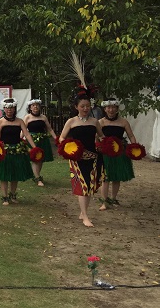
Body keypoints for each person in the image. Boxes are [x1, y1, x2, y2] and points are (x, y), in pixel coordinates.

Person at [59, 93, 104, 227]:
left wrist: (104, 144)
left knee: (89, 186)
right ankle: (85, 215)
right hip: (77, 158)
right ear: (76, 107)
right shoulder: (71, 121)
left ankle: (83, 212)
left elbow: (101, 137)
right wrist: (69, 147)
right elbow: (61, 138)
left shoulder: (94, 121)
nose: (85, 109)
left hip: (93, 157)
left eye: (87, 106)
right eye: (82, 106)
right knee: (82, 186)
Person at [0, 98, 36, 205]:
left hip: (17, 151)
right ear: (4, 109)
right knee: (4, 174)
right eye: (7, 108)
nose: (9, 110)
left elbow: (27, 134)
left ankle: (13, 194)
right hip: (4, 151)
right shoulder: (0, 122)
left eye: (11, 108)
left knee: (15, 174)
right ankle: (5, 197)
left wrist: (34, 147)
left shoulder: (20, 121)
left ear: (14, 108)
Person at [98, 97, 137, 210]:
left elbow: (131, 135)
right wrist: (98, 146)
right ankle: (104, 201)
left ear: (117, 108)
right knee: (105, 178)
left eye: (113, 107)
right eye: (108, 107)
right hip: (106, 153)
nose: (111, 110)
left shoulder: (123, 122)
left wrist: (135, 147)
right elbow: (96, 137)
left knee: (116, 177)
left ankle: (113, 199)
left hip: (120, 152)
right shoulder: (101, 122)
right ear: (105, 109)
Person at [23, 99, 58, 186]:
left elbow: (50, 129)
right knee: (35, 159)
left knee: (41, 159)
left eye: (37, 105)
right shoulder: (27, 117)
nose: (35, 107)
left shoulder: (43, 117)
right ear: (30, 108)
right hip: (32, 141)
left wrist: (56, 139)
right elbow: (24, 130)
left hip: (43, 140)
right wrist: (20, 139)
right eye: (33, 105)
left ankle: (36, 176)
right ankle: (38, 178)